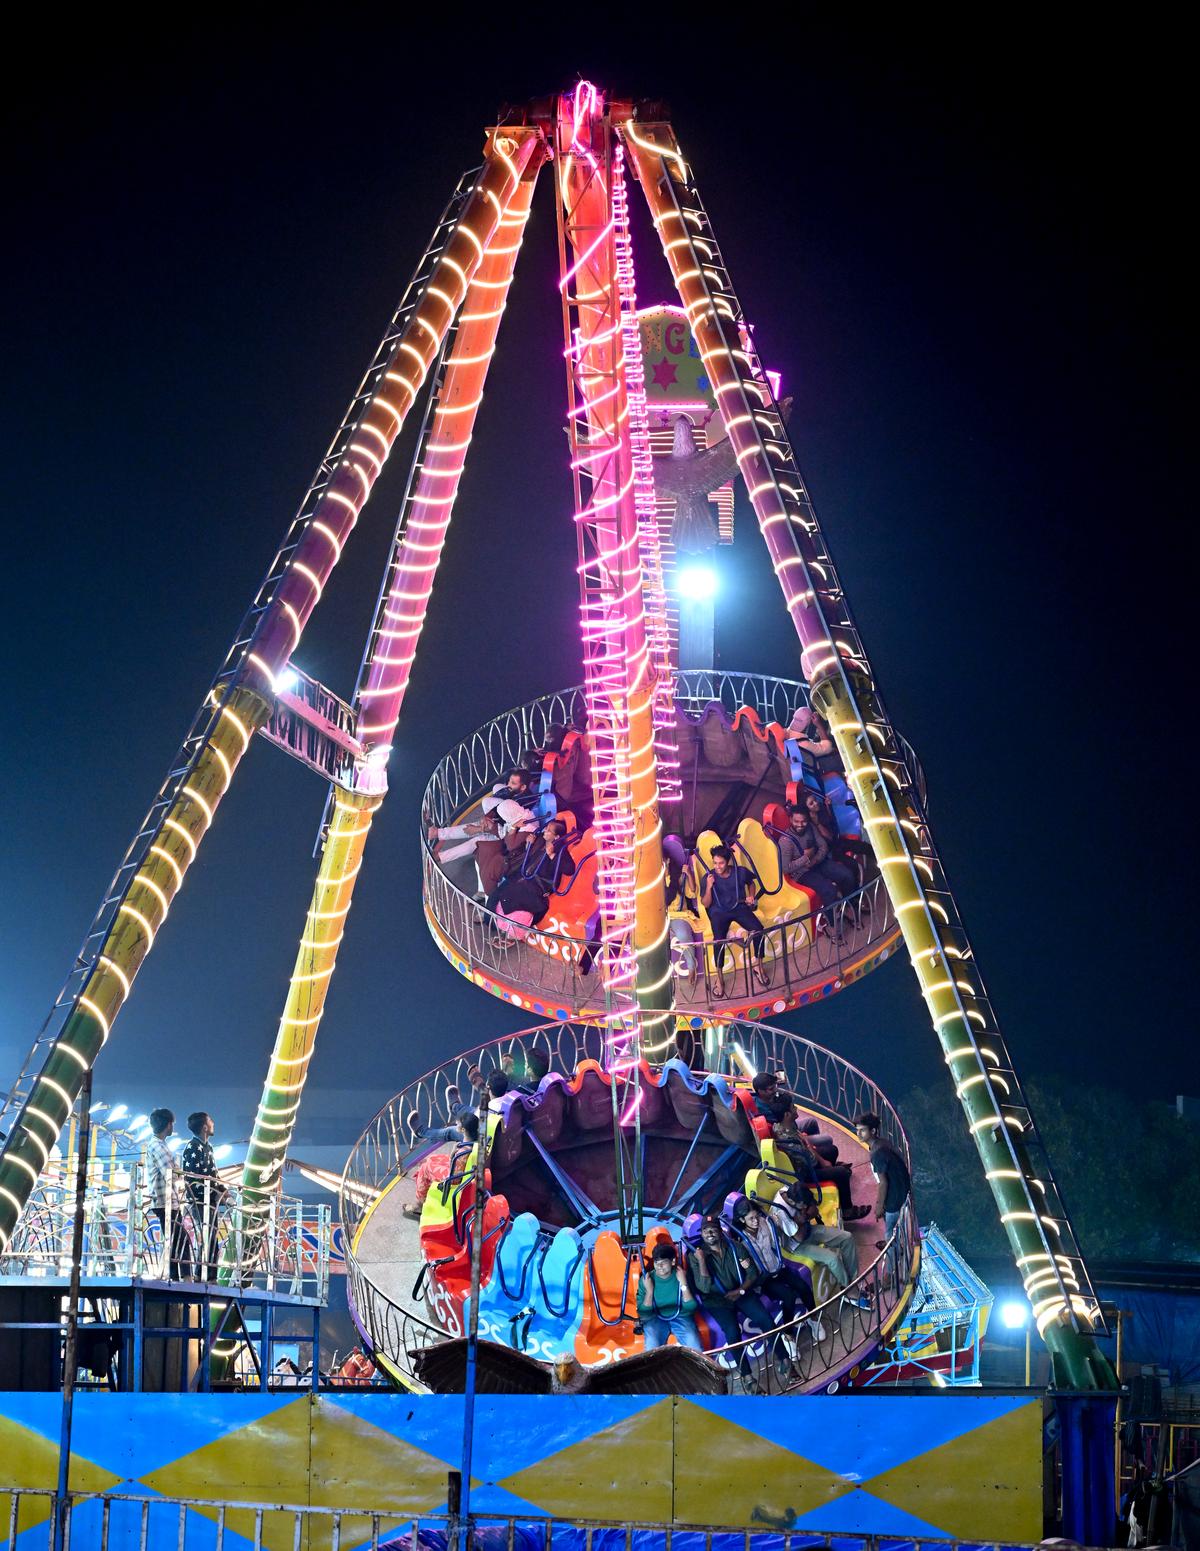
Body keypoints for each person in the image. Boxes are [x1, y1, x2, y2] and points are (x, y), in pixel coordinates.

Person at [731, 1199, 822, 1337]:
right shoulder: (739, 1239)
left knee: (803, 1287)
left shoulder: (764, 1222)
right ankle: (788, 1335)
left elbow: (775, 1243)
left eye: (756, 1216)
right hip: (763, 1279)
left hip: (777, 1267)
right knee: (788, 1296)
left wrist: (776, 1225)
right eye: (751, 1219)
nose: (756, 1221)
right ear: (742, 1220)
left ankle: (813, 1319)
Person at [686, 1213, 774, 1351]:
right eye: (705, 1230)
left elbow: (752, 1273)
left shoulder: (735, 1247)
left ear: (720, 1232)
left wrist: (741, 1291)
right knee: (732, 1334)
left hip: (741, 1292)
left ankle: (785, 1360)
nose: (709, 1233)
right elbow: (704, 1287)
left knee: (767, 1320)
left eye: (713, 1229)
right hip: (717, 1301)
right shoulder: (695, 1256)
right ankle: (746, 1372)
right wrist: (702, 1260)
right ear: (702, 1234)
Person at [771, 1115, 869, 1219]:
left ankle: (833, 1177)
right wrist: (822, 1161)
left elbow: (804, 1144)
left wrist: (812, 1151)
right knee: (842, 1173)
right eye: (792, 1107)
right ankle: (847, 1210)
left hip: (806, 1162)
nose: (795, 1109)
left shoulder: (787, 1126)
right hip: (805, 1173)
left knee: (832, 1150)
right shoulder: (787, 1138)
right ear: (786, 1114)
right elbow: (811, 1160)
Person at [701, 846, 769, 996]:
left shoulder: (740, 872)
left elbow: (751, 882)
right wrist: (708, 887)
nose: (717, 867)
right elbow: (706, 903)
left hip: (738, 907)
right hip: (719, 911)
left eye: (721, 863)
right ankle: (719, 977)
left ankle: (758, 966)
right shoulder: (709, 877)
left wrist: (751, 896)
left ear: (728, 862)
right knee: (718, 940)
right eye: (715, 863)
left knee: (759, 930)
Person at [485, 819, 576, 925]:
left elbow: (569, 870)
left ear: (556, 837)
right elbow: (522, 853)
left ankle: (504, 929)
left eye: (549, 830)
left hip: (536, 885)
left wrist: (552, 855)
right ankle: (488, 919)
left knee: (512, 900)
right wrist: (528, 845)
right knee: (496, 895)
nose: (545, 830)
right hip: (521, 875)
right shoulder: (539, 840)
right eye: (546, 828)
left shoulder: (560, 850)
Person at [777, 1183, 863, 1293]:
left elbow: (814, 1210)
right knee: (832, 1259)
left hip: (808, 1229)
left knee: (847, 1238)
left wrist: (804, 1217)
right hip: (797, 1245)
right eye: (802, 1206)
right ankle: (848, 1290)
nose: (804, 1207)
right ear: (793, 1202)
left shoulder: (790, 1190)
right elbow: (800, 1237)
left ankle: (853, 1281)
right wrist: (803, 1218)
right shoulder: (780, 1212)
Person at [855, 1112, 912, 1275]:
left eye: (862, 1130)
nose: (858, 1134)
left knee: (889, 1233)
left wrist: (879, 1206)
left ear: (873, 1131)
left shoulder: (877, 1153)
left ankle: (890, 1273)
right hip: (902, 1188)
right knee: (892, 1230)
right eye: (857, 1130)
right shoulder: (882, 1144)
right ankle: (895, 1247)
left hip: (895, 1196)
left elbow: (883, 1182)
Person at [402, 1113, 480, 1221]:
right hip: (462, 1168)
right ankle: (425, 1186)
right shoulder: (475, 1143)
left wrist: (454, 1153)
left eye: (458, 1123)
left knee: (425, 1168)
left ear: (462, 1129)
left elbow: (454, 1177)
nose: (455, 1123)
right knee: (430, 1159)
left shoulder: (462, 1151)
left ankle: (419, 1204)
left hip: (454, 1179)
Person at [180, 1111, 228, 1280]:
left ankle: (207, 1274)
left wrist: (223, 1191)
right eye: (211, 1121)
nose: (214, 1123)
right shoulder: (192, 1147)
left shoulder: (208, 1147)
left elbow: (214, 1174)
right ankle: (205, 1274)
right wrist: (213, 1193)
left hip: (210, 1200)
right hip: (199, 1201)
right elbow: (192, 1178)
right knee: (208, 1236)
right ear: (205, 1127)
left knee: (211, 1236)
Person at [144, 1108, 188, 1280]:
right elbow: (171, 1172)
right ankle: (184, 1276)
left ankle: (174, 1275)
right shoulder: (157, 1145)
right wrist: (180, 1172)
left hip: (166, 1199)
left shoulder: (159, 1144)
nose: (173, 1127)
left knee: (173, 1238)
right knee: (181, 1239)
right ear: (167, 1124)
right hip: (165, 1200)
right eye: (172, 1124)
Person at [636, 1242, 702, 1351]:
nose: (659, 1267)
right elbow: (643, 1312)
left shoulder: (681, 1275)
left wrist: (683, 1284)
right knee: (651, 1349)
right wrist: (649, 1291)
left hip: (681, 1315)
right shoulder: (646, 1280)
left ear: (673, 1262)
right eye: (657, 1263)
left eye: (664, 1262)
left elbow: (691, 1308)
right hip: (655, 1318)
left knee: (695, 1346)